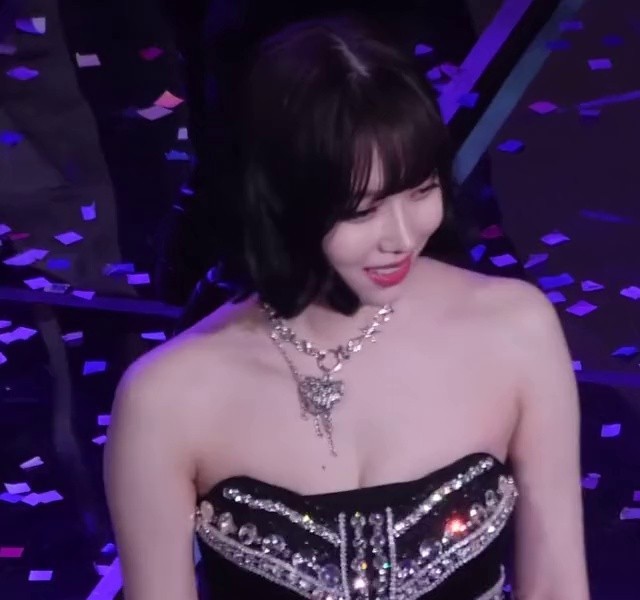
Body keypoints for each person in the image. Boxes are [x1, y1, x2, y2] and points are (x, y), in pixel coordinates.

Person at [104, 17, 589, 600]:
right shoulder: (167, 398)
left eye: (421, 190)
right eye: (363, 211)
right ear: (282, 199)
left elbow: (558, 582)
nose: (402, 237)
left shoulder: (514, 330)